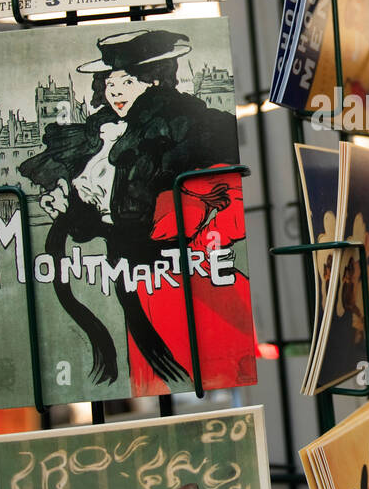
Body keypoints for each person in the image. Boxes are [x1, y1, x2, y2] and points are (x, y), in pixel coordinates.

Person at [20, 28, 247, 396]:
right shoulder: (106, 131)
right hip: (126, 273)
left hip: (176, 275)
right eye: (110, 83)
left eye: (126, 81)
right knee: (144, 369)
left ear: (155, 79)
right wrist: (70, 208)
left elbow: (145, 212)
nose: (116, 92)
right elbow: (101, 214)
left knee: (182, 367)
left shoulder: (184, 127)